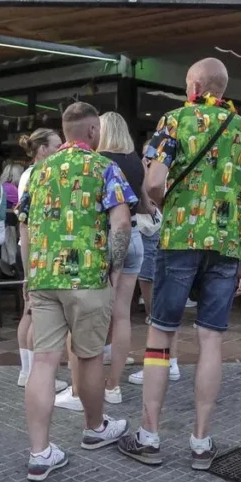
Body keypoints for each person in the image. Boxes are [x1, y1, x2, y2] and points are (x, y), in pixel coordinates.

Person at [119, 57, 241, 470]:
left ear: (196, 85)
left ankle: (149, 437)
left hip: (179, 241)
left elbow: (152, 182)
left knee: (161, 336)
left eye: (187, 82)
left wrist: (169, 207)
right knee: (211, 339)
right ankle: (201, 443)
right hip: (226, 246)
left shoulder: (173, 121)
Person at [18, 102, 136, 482]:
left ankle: (40, 453)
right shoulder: (105, 168)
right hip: (87, 278)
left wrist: (28, 275)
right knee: (86, 359)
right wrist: (114, 271)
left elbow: (25, 232)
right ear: (92, 133)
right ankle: (94, 427)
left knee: (44, 361)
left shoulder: (37, 171)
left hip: (43, 277)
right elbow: (121, 225)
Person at [97, 112, 155, 405]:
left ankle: (85, 387)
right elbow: (145, 204)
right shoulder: (135, 161)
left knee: (93, 315)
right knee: (122, 316)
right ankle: (113, 386)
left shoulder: (99, 161)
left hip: (108, 239)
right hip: (134, 239)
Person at [15, 128, 66, 392]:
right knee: (37, 315)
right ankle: (35, 372)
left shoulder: (27, 175)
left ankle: (27, 370)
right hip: (38, 250)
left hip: (31, 248)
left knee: (30, 311)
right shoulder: (39, 174)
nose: (62, 149)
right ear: (43, 149)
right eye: (57, 145)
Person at [128, 141, 180, 388]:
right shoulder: (173, 168)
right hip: (167, 233)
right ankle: (170, 362)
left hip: (151, 233)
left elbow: (147, 203)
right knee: (163, 305)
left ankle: (164, 364)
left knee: (154, 308)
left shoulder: (151, 173)